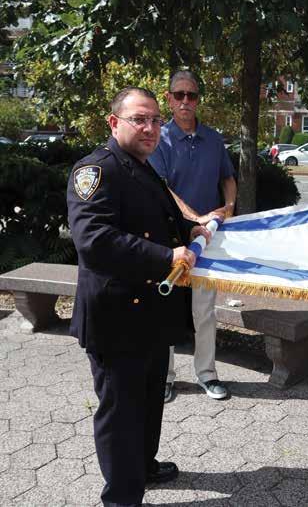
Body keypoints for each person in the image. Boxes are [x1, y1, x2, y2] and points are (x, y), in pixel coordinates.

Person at [67, 86, 209, 507]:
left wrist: (188, 230)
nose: (150, 128)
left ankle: (143, 466)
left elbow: (157, 218)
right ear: (115, 123)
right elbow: (94, 239)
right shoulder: (96, 170)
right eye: (139, 120)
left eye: (155, 120)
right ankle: (122, 497)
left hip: (150, 314)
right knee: (121, 412)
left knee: (148, 402)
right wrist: (167, 256)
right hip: (116, 318)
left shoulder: (143, 167)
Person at [149, 70, 237, 402]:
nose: (186, 100)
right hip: (171, 237)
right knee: (165, 309)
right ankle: (165, 377)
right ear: (169, 99)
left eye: (192, 95)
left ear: (198, 99)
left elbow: (228, 178)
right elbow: (162, 189)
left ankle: (207, 374)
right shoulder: (159, 138)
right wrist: (194, 218)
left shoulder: (214, 139)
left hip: (207, 240)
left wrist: (229, 208)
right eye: (179, 95)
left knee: (205, 311)